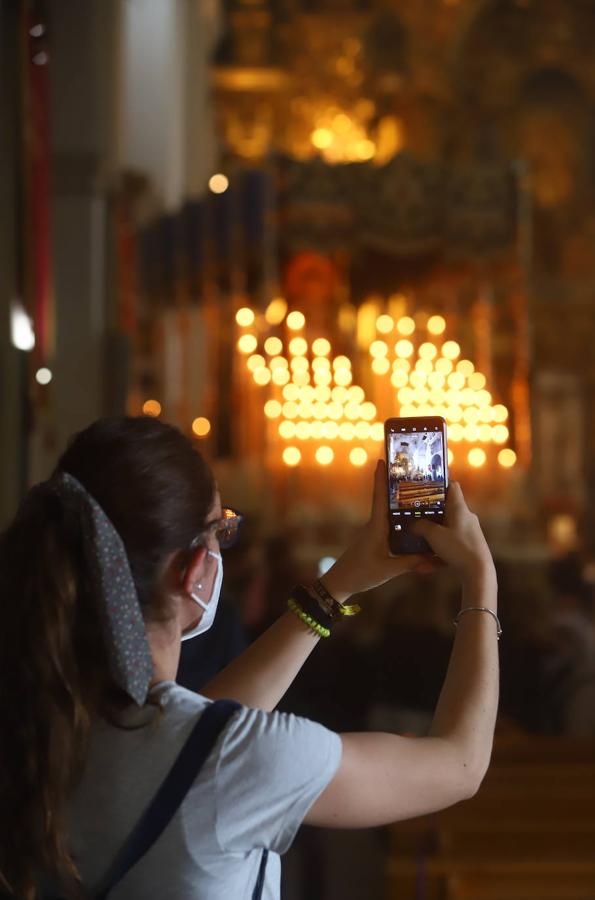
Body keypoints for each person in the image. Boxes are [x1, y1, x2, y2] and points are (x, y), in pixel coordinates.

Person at [0, 416, 499, 900]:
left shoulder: (48, 724)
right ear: (196, 569)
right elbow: (460, 765)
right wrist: (480, 579)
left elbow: (200, 733)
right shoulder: (238, 761)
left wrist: (338, 586)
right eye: (222, 533)